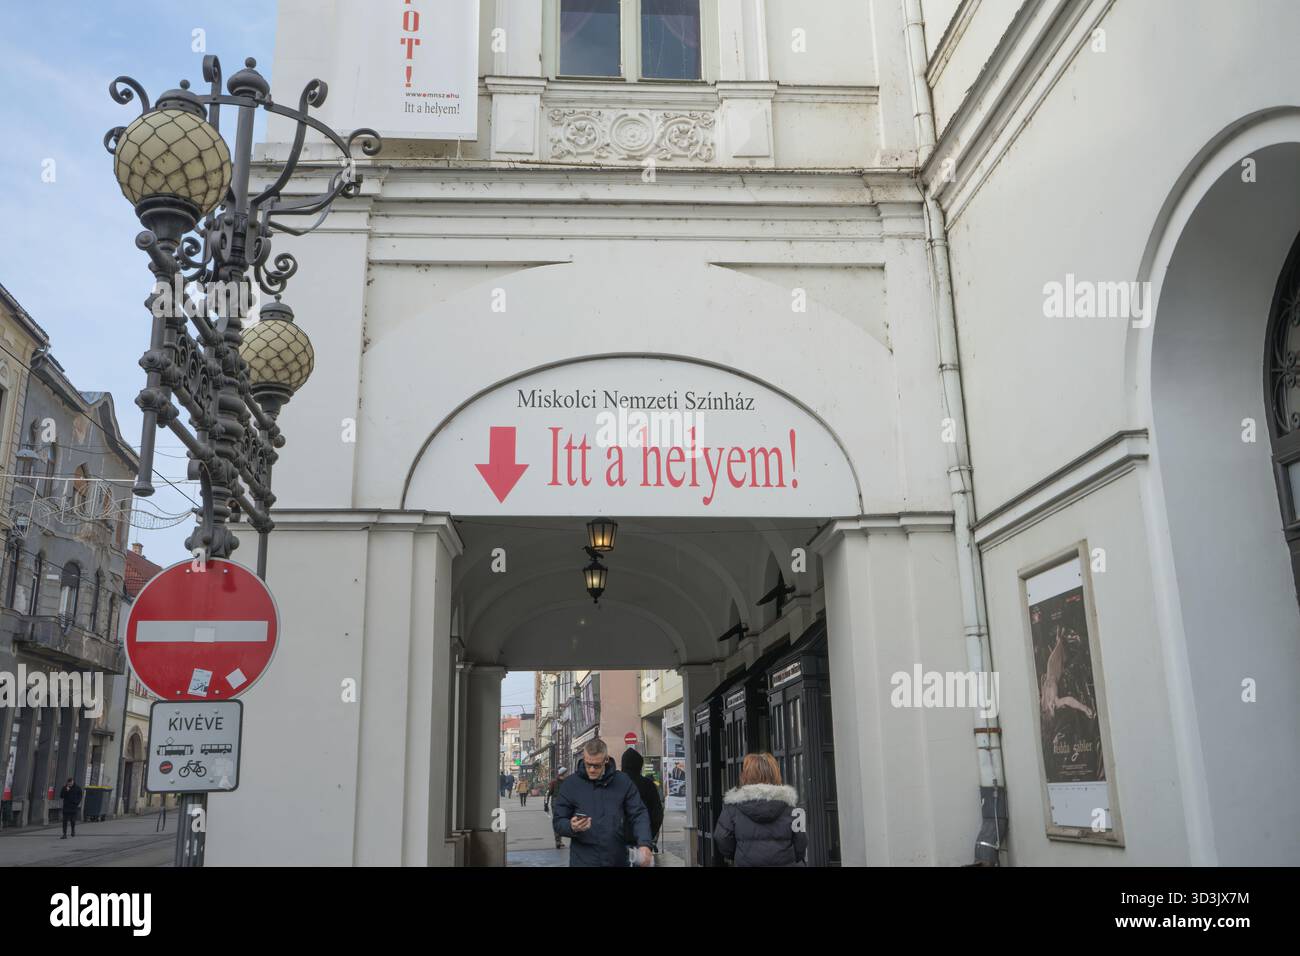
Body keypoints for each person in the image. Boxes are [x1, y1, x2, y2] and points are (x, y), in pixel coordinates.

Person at [552, 739, 653, 867]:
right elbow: (558, 821)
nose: (592, 769)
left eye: (597, 765)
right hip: (583, 861)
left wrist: (644, 844)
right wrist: (571, 826)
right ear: (584, 758)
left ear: (606, 760)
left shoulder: (622, 781)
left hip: (616, 859)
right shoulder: (571, 784)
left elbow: (638, 813)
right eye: (588, 764)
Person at [713, 753, 807, 867]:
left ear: (746, 775)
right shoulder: (792, 808)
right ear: (776, 774)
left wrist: (739, 854)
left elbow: (722, 837)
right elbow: (801, 842)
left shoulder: (732, 809)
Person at [620, 749, 663, 852]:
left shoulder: (616, 784)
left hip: (618, 843)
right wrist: (649, 835)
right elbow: (657, 814)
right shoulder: (648, 785)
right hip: (642, 842)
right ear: (640, 765)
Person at [548, 768, 568, 848]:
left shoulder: (566, 782)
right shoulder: (555, 782)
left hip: (561, 803)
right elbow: (548, 793)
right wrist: (545, 805)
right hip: (558, 803)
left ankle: (559, 840)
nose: (567, 774)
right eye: (566, 773)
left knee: (559, 821)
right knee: (559, 821)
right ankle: (558, 841)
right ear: (562, 774)